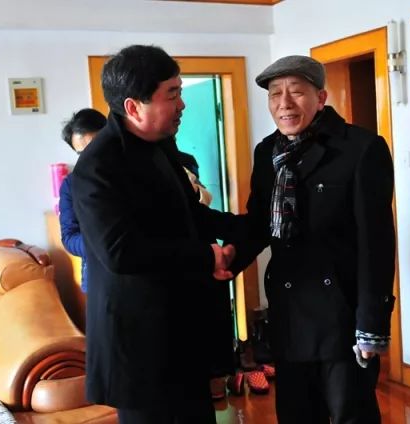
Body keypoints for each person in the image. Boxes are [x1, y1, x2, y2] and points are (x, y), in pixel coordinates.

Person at [71, 44, 238, 424]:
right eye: (172, 94)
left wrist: (248, 227)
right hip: (138, 348)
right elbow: (120, 251)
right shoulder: (97, 167)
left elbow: (190, 213)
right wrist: (206, 256)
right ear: (133, 107)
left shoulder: (161, 145)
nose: (182, 104)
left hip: (182, 334)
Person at [231, 55, 396, 423]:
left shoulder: (360, 148)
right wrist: (229, 258)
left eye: (296, 92)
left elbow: (377, 244)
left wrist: (372, 323)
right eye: (275, 94)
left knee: (350, 414)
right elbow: (259, 224)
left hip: (341, 314)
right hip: (289, 312)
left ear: (321, 98)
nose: (284, 103)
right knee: (296, 414)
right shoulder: (267, 152)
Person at [59, 108, 107, 293]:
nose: (90, 157)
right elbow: (69, 236)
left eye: (96, 147)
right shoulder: (71, 184)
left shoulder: (134, 172)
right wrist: (101, 245)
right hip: (97, 279)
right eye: (82, 153)